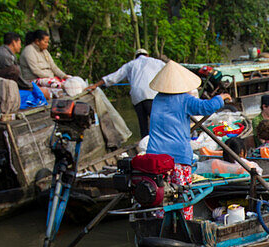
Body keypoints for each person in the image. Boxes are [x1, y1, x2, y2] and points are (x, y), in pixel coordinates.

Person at [145, 61, 231, 220]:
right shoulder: (184, 99)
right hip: (177, 157)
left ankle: (158, 221)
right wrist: (221, 97)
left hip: (155, 159)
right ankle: (184, 223)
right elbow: (206, 107)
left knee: (160, 196)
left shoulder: (157, 99)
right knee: (184, 196)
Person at [87, 49, 165, 139]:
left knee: (143, 124)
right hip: (152, 94)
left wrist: (96, 85)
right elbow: (170, 70)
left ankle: (145, 143)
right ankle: (161, 142)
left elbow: (114, 77)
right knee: (157, 122)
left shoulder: (130, 64)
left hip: (137, 96)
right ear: (147, 55)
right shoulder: (156, 62)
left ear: (136, 56)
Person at [0, 32, 28, 115]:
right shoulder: (4, 54)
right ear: (14, 42)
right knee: (14, 70)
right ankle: (7, 99)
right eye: (19, 43)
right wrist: (31, 87)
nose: (20, 46)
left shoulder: (8, 53)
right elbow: (19, 78)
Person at [20, 29, 67, 97]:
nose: (47, 44)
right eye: (45, 42)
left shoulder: (45, 51)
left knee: (68, 82)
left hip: (49, 78)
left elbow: (53, 67)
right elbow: (35, 70)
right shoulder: (29, 51)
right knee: (57, 84)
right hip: (34, 80)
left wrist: (64, 76)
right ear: (37, 41)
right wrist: (51, 77)